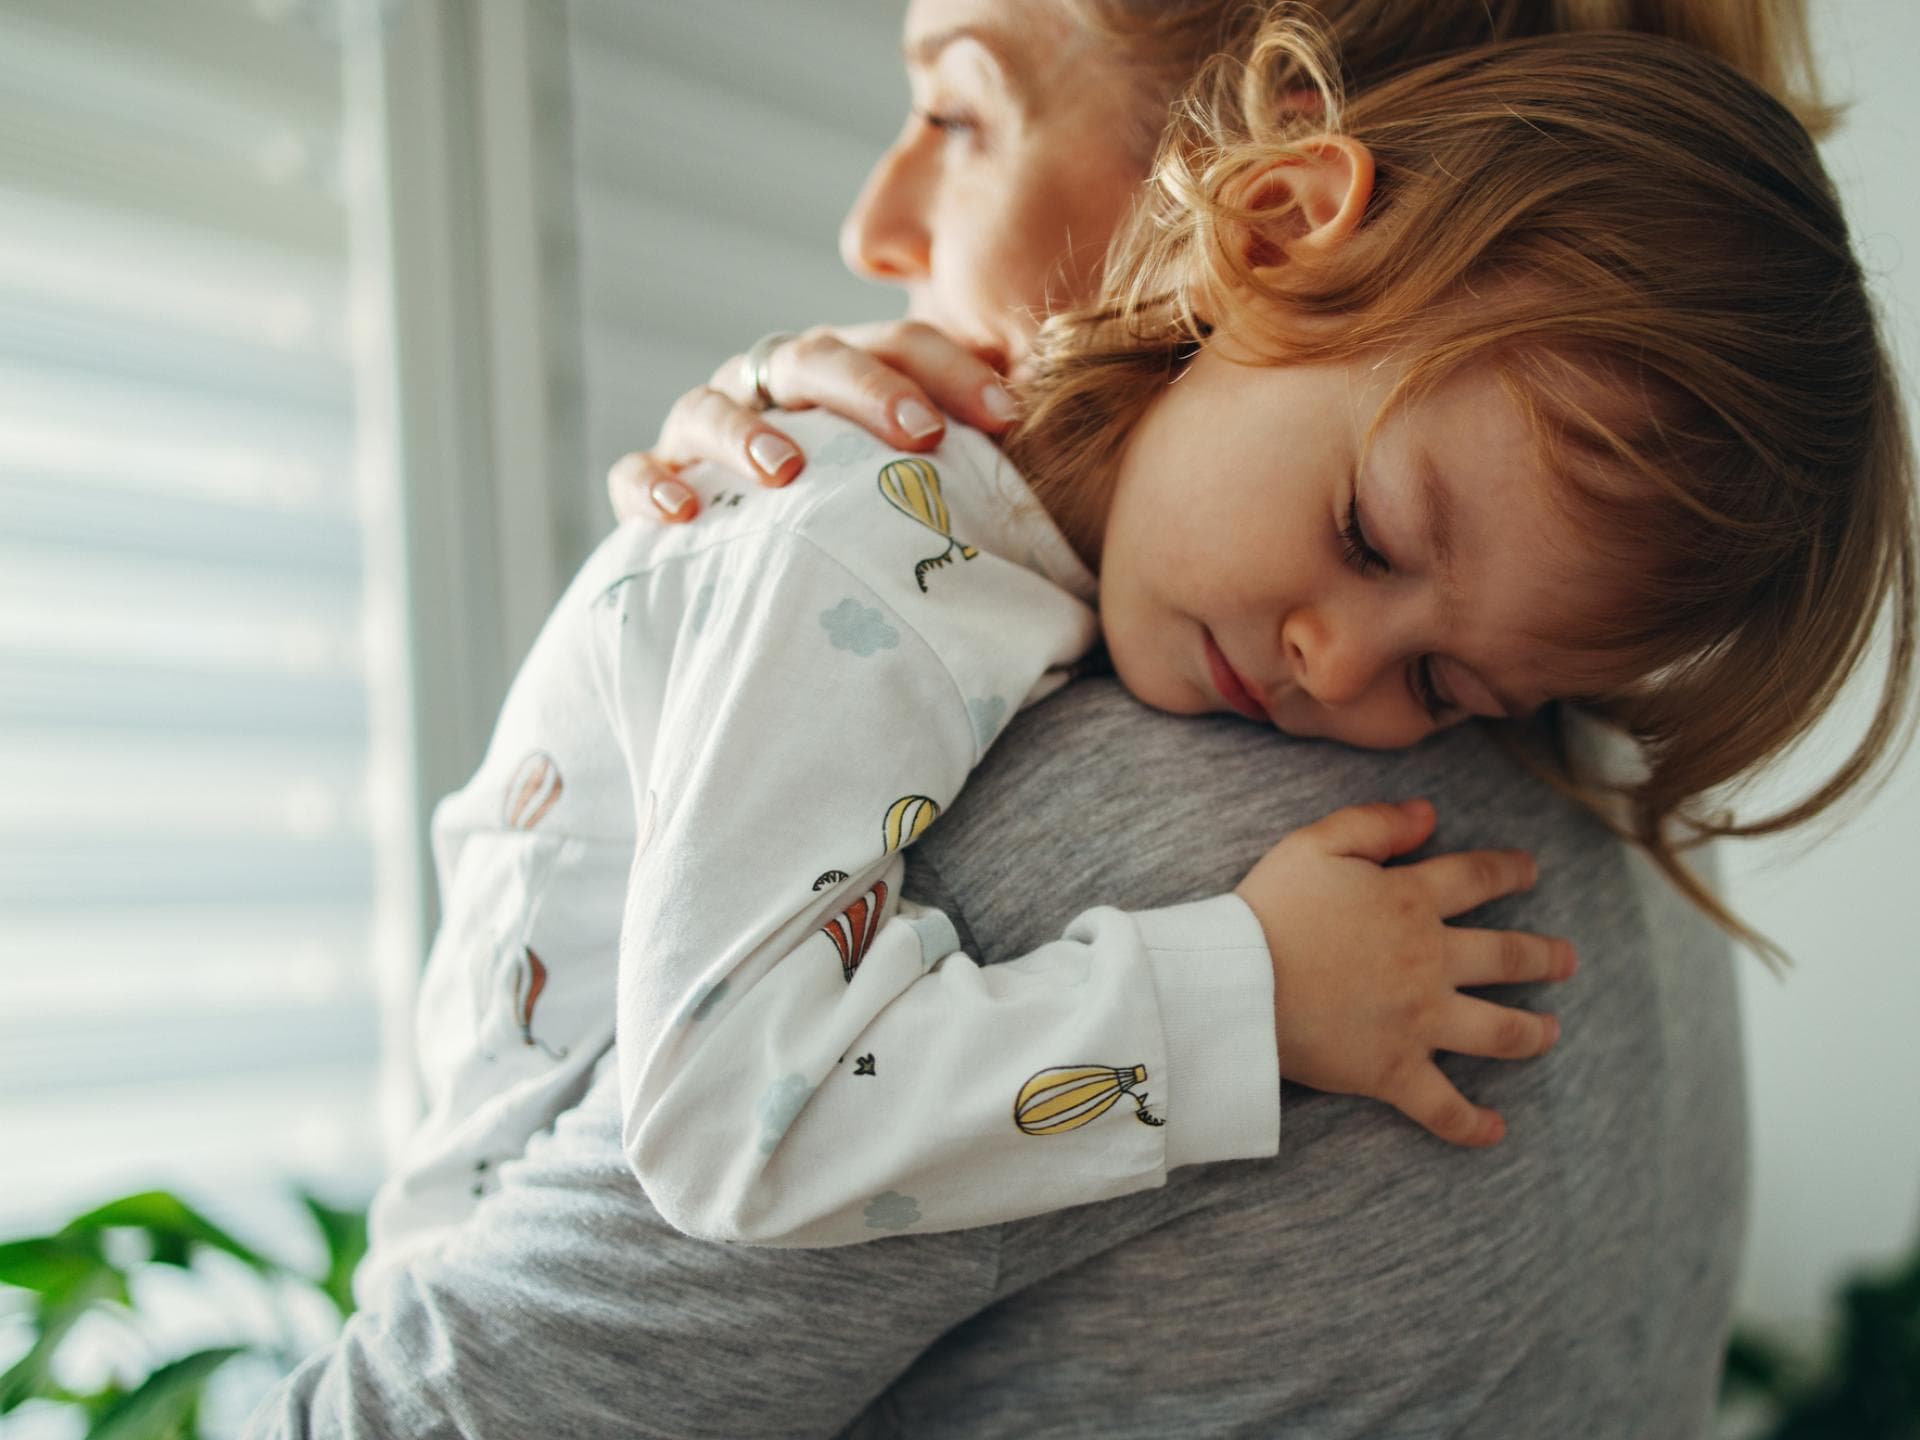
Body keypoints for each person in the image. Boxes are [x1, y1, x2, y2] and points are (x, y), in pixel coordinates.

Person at [250, 2, 1900, 1436]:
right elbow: (728, 1124)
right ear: (1268, 216)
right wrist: (1240, 992)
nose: (1336, 668)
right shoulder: (877, 556)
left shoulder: (1104, 686)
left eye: (1446, 686)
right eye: (1366, 540)